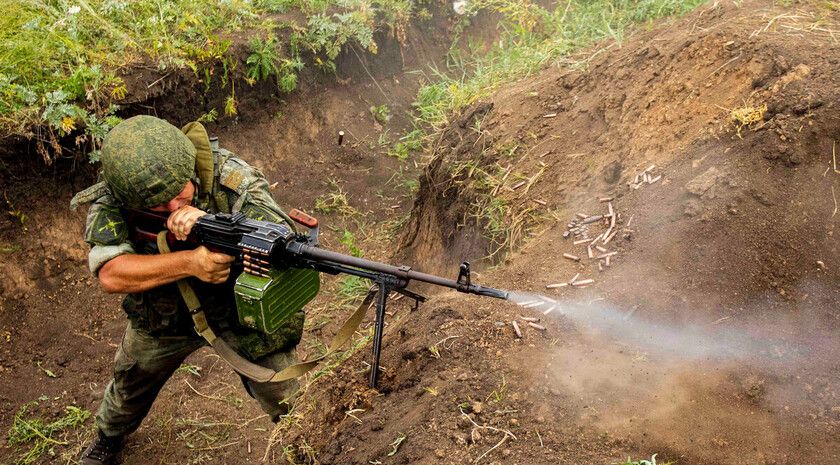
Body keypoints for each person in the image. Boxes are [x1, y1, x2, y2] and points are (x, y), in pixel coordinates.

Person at [70, 115, 304, 465]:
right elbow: (111, 275)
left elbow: (282, 237)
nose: (172, 209)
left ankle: (308, 442)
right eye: (158, 206)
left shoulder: (230, 178)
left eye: (179, 195)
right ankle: (108, 438)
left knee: (289, 397)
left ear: (190, 169)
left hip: (240, 310)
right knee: (130, 383)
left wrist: (215, 226)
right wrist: (191, 263)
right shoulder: (122, 189)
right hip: (163, 314)